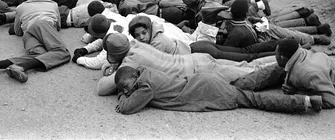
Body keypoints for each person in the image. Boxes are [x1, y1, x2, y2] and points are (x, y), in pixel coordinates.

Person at [97, 33, 277, 96]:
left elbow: (102, 88)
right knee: (248, 64)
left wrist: (110, 65)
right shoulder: (137, 44)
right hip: (198, 59)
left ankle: (287, 61)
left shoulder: (130, 63)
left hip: (199, 71)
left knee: (252, 71)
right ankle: (283, 56)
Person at [114, 65, 323, 115]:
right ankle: (279, 69)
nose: (127, 90)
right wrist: (125, 87)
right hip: (204, 81)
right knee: (245, 84)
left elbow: (126, 108)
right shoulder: (146, 71)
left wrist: (123, 94)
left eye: (126, 86)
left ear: (134, 77)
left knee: (254, 100)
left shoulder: (144, 86)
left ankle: (305, 102)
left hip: (206, 91)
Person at [0, 0, 71, 84]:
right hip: (44, 24)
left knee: (41, 57)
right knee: (62, 53)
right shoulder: (53, 4)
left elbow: (18, 31)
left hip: (28, 33)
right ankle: (22, 67)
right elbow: (58, 26)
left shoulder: (21, 6)